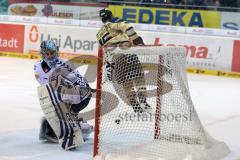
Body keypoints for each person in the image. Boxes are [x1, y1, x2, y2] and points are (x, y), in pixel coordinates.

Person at [34, 40, 93, 150]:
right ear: (42, 54)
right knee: (62, 112)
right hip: (62, 96)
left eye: (52, 53)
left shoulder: (65, 63)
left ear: (56, 52)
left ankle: (76, 126)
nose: (50, 56)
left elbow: (78, 80)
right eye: (47, 53)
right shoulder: (38, 67)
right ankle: (74, 122)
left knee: (66, 114)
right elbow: (45, 87)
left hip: (78, 96)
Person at [96, 8, 151, 114]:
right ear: (110, 15)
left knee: (126, 83)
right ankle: (143, 101)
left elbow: (103, 51)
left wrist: (108, 65)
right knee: (139, 77)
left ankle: (135, 106)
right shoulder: (114, 21)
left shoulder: (99, 34)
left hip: (114, 58)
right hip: (125, 51)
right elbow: (128, 27)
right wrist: (136, 39)